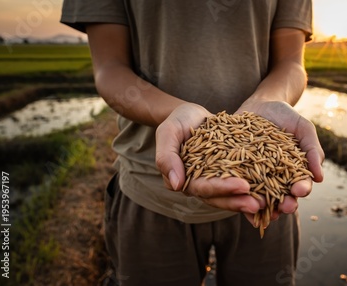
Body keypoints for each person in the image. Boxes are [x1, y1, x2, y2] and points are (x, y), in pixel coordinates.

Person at [61, 1, 324, 285]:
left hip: (267, 199)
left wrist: (267, 101)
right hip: (150, 191)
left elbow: (290, 63)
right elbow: (110, 68)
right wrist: (174, 112)